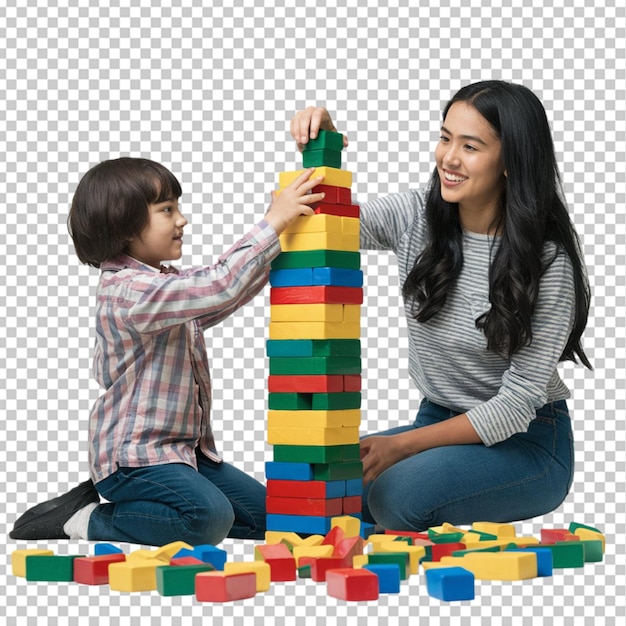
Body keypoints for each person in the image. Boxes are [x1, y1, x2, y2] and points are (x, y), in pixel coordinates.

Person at [290, 80, 591, 532]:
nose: (449, 158)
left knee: (395, 496)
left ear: (511, 161)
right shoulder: (415, 216)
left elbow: (516, 404)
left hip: (527, 442)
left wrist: (405, 446)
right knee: (330, 485)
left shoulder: (547, 262)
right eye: (445, 137)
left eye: (470, 146)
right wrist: (324, 150)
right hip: (437, 418)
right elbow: (323, 227)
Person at [10, 157, 325, 545]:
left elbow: (225, 292)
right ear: (124, 226)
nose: (182, 220)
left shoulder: (164, 286)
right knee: (206, 519)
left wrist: (288, 236)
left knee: (276, 520)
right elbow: (219, 285)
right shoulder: (129, 292)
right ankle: (86, 518)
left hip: (183, 455)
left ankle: (174, 512)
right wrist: (271, 224)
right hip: (133, 460)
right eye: (167, 210)